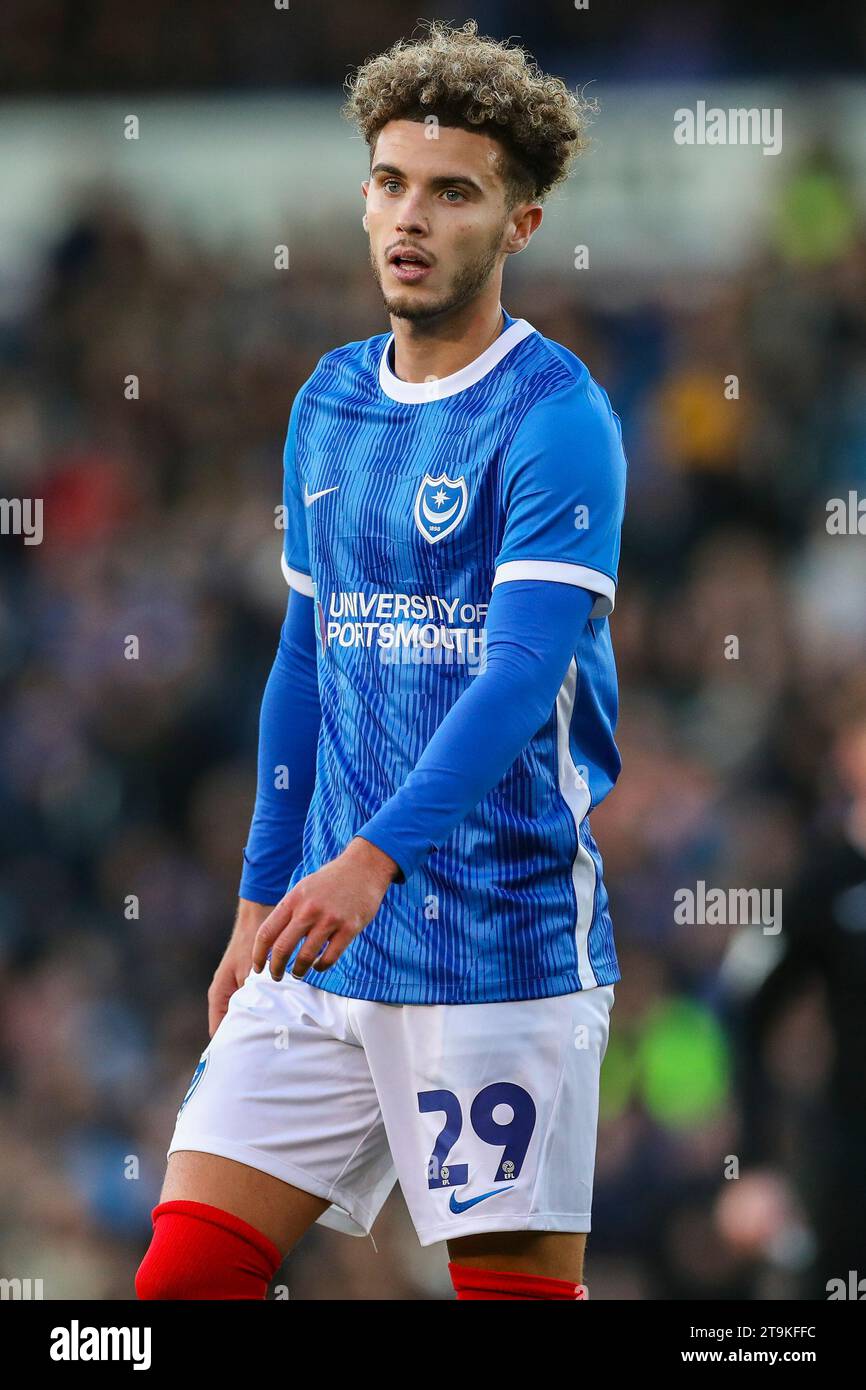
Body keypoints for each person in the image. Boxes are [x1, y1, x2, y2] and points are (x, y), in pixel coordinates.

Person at [136, 18, 627, 1302]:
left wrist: (370, 859)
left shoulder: (557, 417)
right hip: (323, 942)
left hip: (495, 945)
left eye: (452, 192)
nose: (411, 217)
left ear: (516, 226)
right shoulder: (328, 399)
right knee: (178, 1284)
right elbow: (305, 658)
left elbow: (519, 677)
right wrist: (261, 896)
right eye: (390, 183)